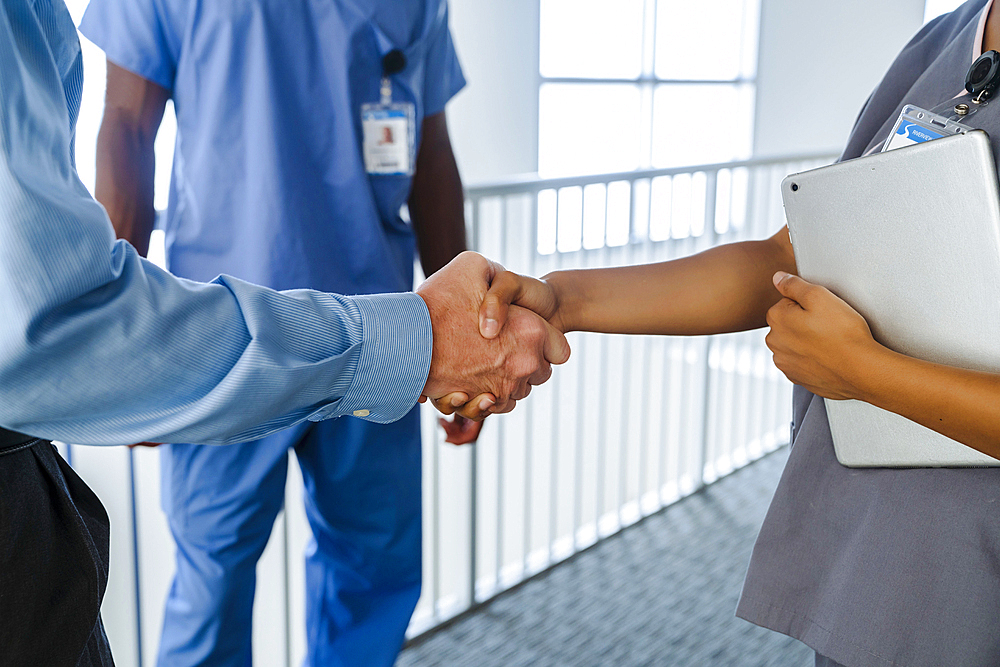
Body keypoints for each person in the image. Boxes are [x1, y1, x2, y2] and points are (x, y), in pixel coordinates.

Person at [0, 1, 568, 665]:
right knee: (213, 578)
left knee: (373, 570)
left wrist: (476, 326)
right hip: (222, 338)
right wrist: (117, 362)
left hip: (392, 328)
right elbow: (126, 125)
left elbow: (429, 146)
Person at [447, 2, 1000, 665]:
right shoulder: (945, 42)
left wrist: (864, 372)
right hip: (887, 573)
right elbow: (791, 259)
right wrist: (563, 301)